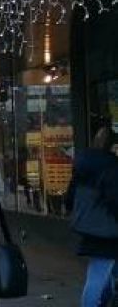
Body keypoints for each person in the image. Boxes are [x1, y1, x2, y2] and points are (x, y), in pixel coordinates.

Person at [66, 127, 118, 307]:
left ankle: (105, 300)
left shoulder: (84, 164)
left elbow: (70, 196)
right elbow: (115, 199)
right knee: (99, 273)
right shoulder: (111, 166)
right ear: (113, 146)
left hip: (90, 226)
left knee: (103, 270)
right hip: (108, 230)